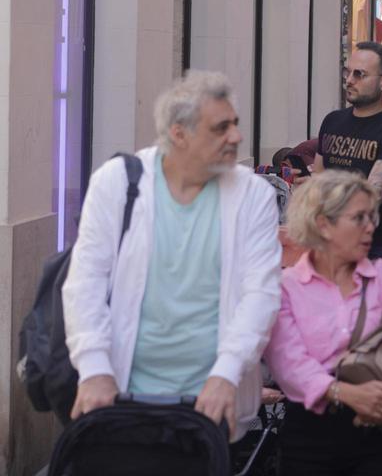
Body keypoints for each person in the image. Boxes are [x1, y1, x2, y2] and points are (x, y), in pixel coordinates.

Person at [63, 71, 281, 440]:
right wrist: (95, 369)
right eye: (221, 128)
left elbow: (261, 294)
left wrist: (226, 374)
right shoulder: (118, 182)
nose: (236, 136)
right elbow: (85, 283)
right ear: (179, 134)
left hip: (212, 403)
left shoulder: (253, 195)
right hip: (122, 396)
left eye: (235, 124)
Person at [265, 171, 382, 475]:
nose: (370, 227)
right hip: (311, 434)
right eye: (359, 218)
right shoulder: (287, 287)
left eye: (372, 217)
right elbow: (288, 362)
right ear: (323, 224)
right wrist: (346, 394)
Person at [315, 42, 382, 265]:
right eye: (347, 72)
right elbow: (317, 179)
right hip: (326, 241)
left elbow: (369, 199)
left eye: (359, 74)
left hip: (373, 249)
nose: (349, 80)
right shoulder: (332, 121)